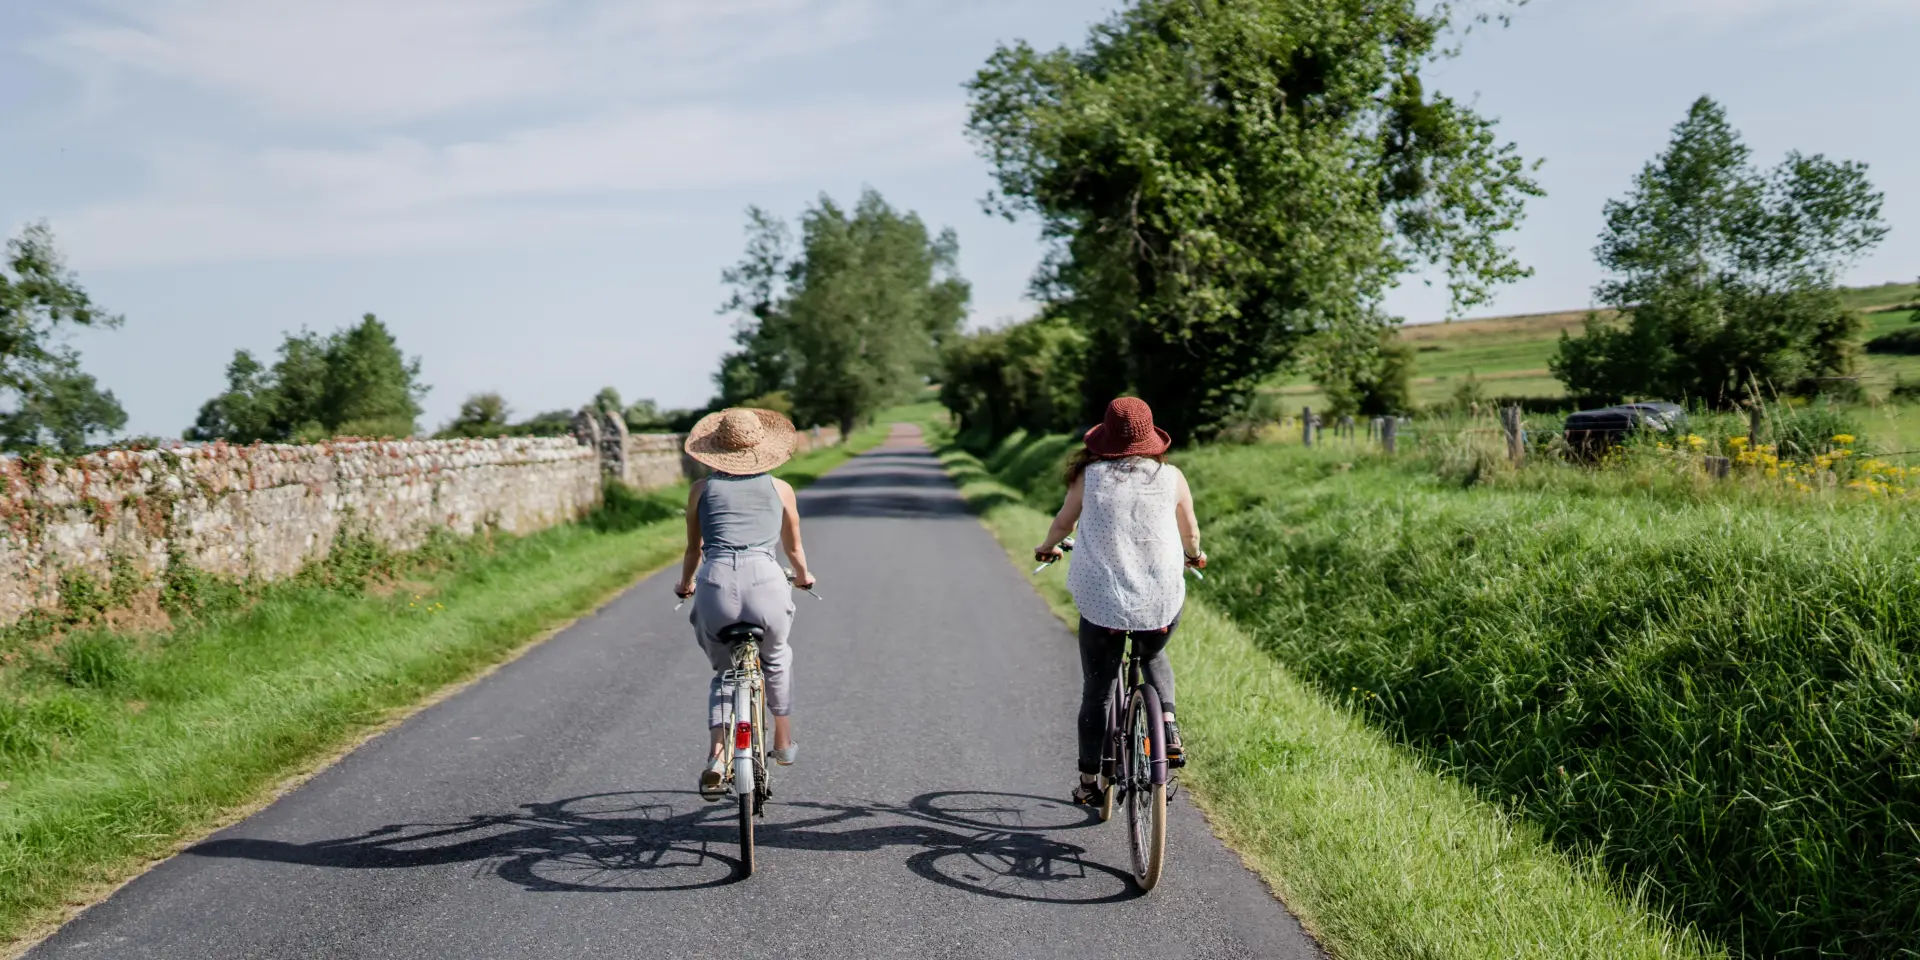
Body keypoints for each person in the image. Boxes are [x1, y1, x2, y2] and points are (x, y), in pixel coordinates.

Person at [1034, 397, 1206, 806]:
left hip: (1102, 601)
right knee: (1151, 655)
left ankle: (1090, 783)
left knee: (1098, 691)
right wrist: (1194, 555)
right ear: (1151, 437)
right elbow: (1191, 533)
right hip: (1161, 597)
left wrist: (1047, 547)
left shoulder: (1089, 477)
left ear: (1104, 437)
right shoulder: (1172, 476)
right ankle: (1168, 725)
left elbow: (1063, 524)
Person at [674, 407, 816, 800]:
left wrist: (685, 585)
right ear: (762, 447)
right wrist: (803, 576)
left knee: (723, 673)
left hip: (716, 583)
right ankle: (784, 740)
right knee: (776, 657)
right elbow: (794, 547)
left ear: (716, 451)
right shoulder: (780, 488)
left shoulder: (701, 490)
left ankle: (717, 755)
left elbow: (693, 550)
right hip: (766, 582)